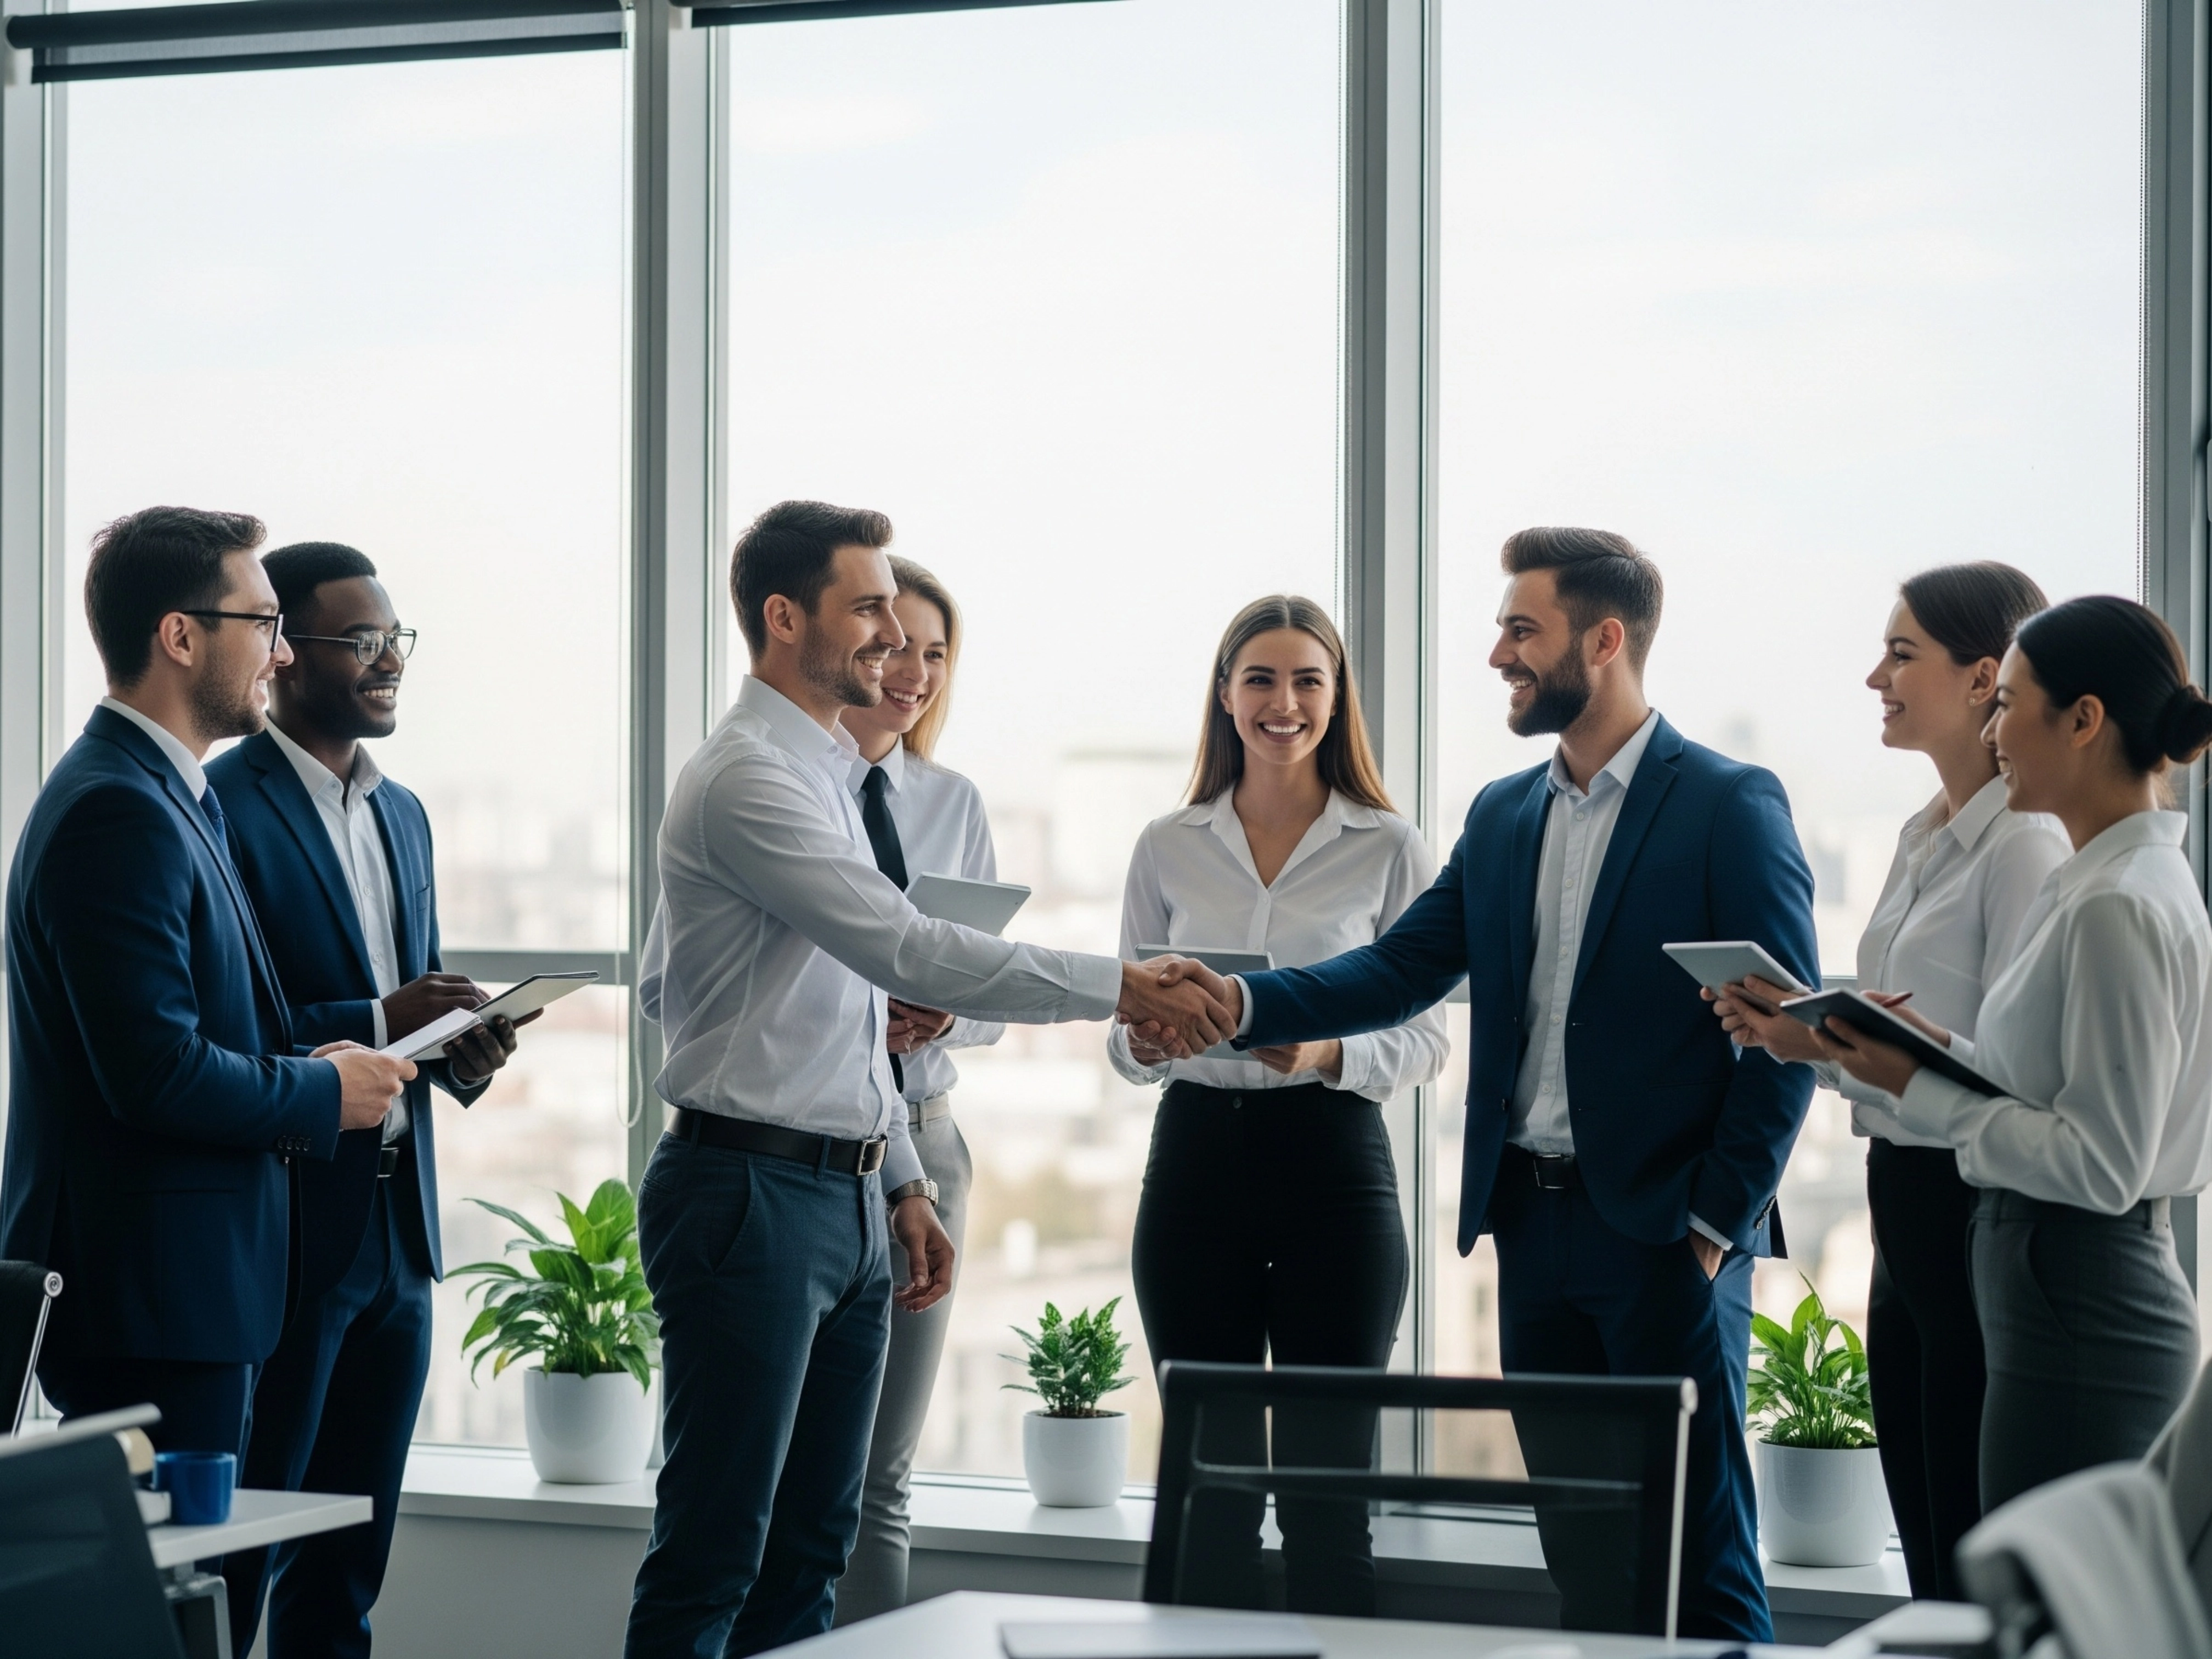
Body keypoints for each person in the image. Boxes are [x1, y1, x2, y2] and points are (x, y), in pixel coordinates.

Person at [1150, 528, 1818, 1641]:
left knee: (1700, 1563)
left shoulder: (1728, 802)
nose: (1498, 653)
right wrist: (1241, 1002)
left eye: (1521, 630)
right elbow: (1397, 971)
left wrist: (1714, 1223)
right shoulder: (1504, 815)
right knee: (1585, 1561)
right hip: (1532, 1232)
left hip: (1663, 1237)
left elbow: (1784, 1034)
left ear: (1603, 642)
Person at [626, 499, 1234, 1659]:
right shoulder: (751, 779)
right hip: (749, 1197)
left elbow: (852, 1022)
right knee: (714, 1553)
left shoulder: (826, 773)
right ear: (784, 617)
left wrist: (902, 1180)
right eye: (868, 610)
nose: (892, 638)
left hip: (847, 1192)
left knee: (816, 1549)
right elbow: (904, 951)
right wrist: (1122, 986)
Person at [0, 507, 413, 1469]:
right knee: (180, 1567)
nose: (281, 654)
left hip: (186, 1292)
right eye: (263, 624)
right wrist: (323, 1092)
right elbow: (154, 1072)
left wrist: (312, 1057)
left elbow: (203, 1030)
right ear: (180, 637)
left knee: (214, 1565)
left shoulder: (166, 793)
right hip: (153, 1297)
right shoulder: (119, 808)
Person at [1808, 594, 2212, 1514]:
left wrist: (1923, 1089)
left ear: (2084, 721)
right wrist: (1929, 1049)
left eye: (2007, 705)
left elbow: (2102, 1164)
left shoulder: (2117, 903)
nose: (1992, 734)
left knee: (2021, 1586)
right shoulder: (2098, 882)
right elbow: (2049, 1085)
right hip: (2057, 1280)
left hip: (2082, 1288)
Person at [1708, 562, 2064, 1600]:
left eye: (1902, 655)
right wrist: (1808, 1037)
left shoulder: (2023, 846)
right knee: (1923, 1509)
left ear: (1983, 678)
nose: (1876, 678)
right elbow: (1906, 1049)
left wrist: (1832, 1045)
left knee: (1966, 1525)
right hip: (1900, 1204)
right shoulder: (1921, 838)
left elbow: (2017, 1067)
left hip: (1972, 1205)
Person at [210, 541, 531, 1657]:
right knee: (238, 1562)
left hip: (400, 1230)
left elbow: (411, 1014)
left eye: (397, 639)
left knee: (347, 1575)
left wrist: (462, 1050)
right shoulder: (219, 806)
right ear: (284, 654)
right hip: (289, 1230)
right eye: (362, 640)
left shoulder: (406, 816)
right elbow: (224, 1026)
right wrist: (380, 1016)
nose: (390, 661)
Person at [1111, 595, 1447, 1616]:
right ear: (1225, 695)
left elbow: (1430, 1037)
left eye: (1308, 680)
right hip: (1196, 1162)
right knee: (1206, 1489)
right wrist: (1144, 1042)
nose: (1283, 702)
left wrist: (1326, 1052)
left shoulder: (1389, 845)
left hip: (1332, 1166)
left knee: (1326, 1496)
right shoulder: (1167, 844)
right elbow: (1124, 1030)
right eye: (1260, 678)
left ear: (1337, 698)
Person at [831, 557, 1005, 1623]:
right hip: (814, 1141)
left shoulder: (952, 803)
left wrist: (946, 1014)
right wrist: (855, 1009)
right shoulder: (788, 794)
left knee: (881, 1477)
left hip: (927, 1144)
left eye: (936, 654)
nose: (916, 672)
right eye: (897, 646)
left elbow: (990, 998)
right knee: (791, 1468)